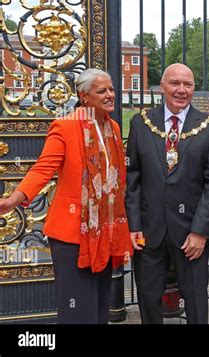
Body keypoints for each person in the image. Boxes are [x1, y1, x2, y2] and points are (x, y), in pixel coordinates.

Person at [0, 68, 132, 324]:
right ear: (84, 96)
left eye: (112, 89)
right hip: (73, 235)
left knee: (99, 309)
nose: (110, 95)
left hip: (104, 230)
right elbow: (43, 168)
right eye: (102, 91)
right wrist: (14, 199)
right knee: (77, 311)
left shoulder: (113, 127)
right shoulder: (65, 126)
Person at [126, 63, 209, 324]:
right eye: (175, 83)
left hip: (190, 234)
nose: (181, 90)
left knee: (195, 301)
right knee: (148, 299)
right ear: (162, 87)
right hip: (149, 232)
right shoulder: (141, 123)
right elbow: (132, 177)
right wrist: (134, 225)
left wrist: (201, 231)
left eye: (188, 84)